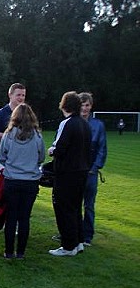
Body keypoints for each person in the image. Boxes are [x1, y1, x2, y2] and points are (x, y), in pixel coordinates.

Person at [0, 104, 45, 259]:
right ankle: (21, 252)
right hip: (30, 181)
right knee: (24, 218)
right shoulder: (37, 136)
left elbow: (2, 157)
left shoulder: (8, 134)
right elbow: (41, 158)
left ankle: (9, 251)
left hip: (12, 180)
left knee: (11, 217)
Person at [48, 91, 92, 257]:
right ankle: (78, 241)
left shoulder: (67, 123)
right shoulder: (85, 124)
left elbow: (60, 148)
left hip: (67, 173)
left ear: (64, 105)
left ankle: (68, 245)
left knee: (63, 208)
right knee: (75, 208)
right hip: (82, 172)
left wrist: (51, 150)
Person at [79, 92, 107, 245]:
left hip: (90, 172)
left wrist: (94, 168)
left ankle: (87, 236)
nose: (84, 108)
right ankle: (73, 233)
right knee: (73, 205)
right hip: (75, 172)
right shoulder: (71, 122)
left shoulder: (98, 125)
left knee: (88, 205)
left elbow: (102, 149)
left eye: (87, 105)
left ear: (91, 106)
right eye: (82, 105)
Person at [0, 83, 27, 173]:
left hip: (23, 159)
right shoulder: (0, 114)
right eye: (18, 95)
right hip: (5, 159)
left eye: (23, 95)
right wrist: (14, 135)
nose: (21, 98)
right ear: (10, 95)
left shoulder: (27, 115)